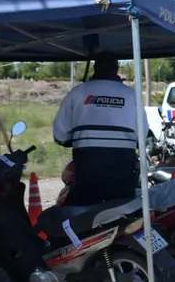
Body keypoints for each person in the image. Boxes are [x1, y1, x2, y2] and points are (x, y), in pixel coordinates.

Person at [52, 51, 140, 206]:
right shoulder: (131, 95)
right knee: (123, 215)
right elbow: (142, 134)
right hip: (122, 172)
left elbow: (60, 134)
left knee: (84, 217)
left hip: (87, 170)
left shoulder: (78, 92)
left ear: (95, 67)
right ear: (117, 68)